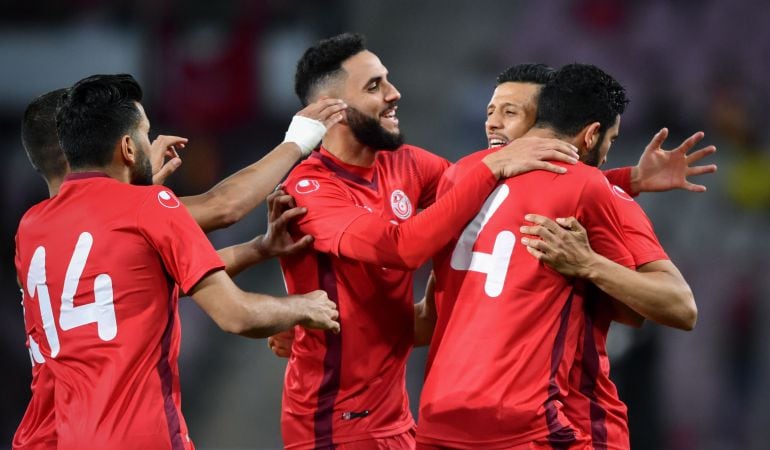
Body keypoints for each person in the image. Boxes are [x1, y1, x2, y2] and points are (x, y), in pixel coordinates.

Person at [277, 32, 585, 450]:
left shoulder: (402, 162)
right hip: (336, 424)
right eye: (374, 86)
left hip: (398, 417)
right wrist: (493, 165)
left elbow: (490, 197)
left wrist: (626, 182)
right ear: (331, 111)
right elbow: (401, 248)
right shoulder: (311, 188)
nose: (393, 93)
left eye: (387, 79)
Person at [14, 74, 340, 450]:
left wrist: (256, 249)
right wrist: (296, 141)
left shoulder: (32, 228)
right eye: (143, 133)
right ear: (124, 146)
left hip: (53, 434)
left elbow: (135, 285)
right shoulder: (144, 207)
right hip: (138, 434)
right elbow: (224, 208)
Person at [415, 63, 670, 449]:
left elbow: (427, 310)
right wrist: (588, 264)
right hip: (545, 416)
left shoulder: (458, 178)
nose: (495, 124)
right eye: (491, 111)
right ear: (592, 134)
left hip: (439, 415)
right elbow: (640, 310)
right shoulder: (588, 186)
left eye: (509, 112)